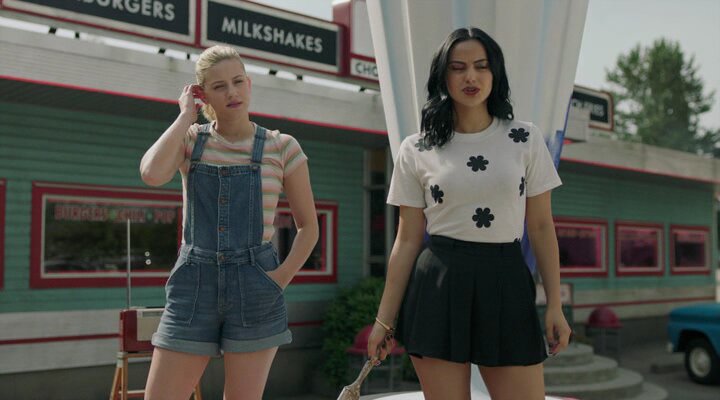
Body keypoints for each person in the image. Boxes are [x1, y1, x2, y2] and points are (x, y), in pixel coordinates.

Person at [367, 27, 572, 400]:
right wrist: (384, 319)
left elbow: (542, 227)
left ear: (495, 73)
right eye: (458, 68)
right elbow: (407, 239)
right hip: (439, 283)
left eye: (481, 66)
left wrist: (555, 305)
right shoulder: (416, 148)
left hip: (507, 280)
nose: (471, 77)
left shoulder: (525, 139)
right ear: (443, 76)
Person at [139, 45, 318, 400]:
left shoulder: (282, 147)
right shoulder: (191, 140)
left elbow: (308, 227)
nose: (232, 92)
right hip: (194, 283)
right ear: (203, 94)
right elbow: (151, 173)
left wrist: (278, 280)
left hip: (256, 285)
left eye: (238, 81)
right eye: (219, 86)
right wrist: (184, 116)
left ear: (249, 84)